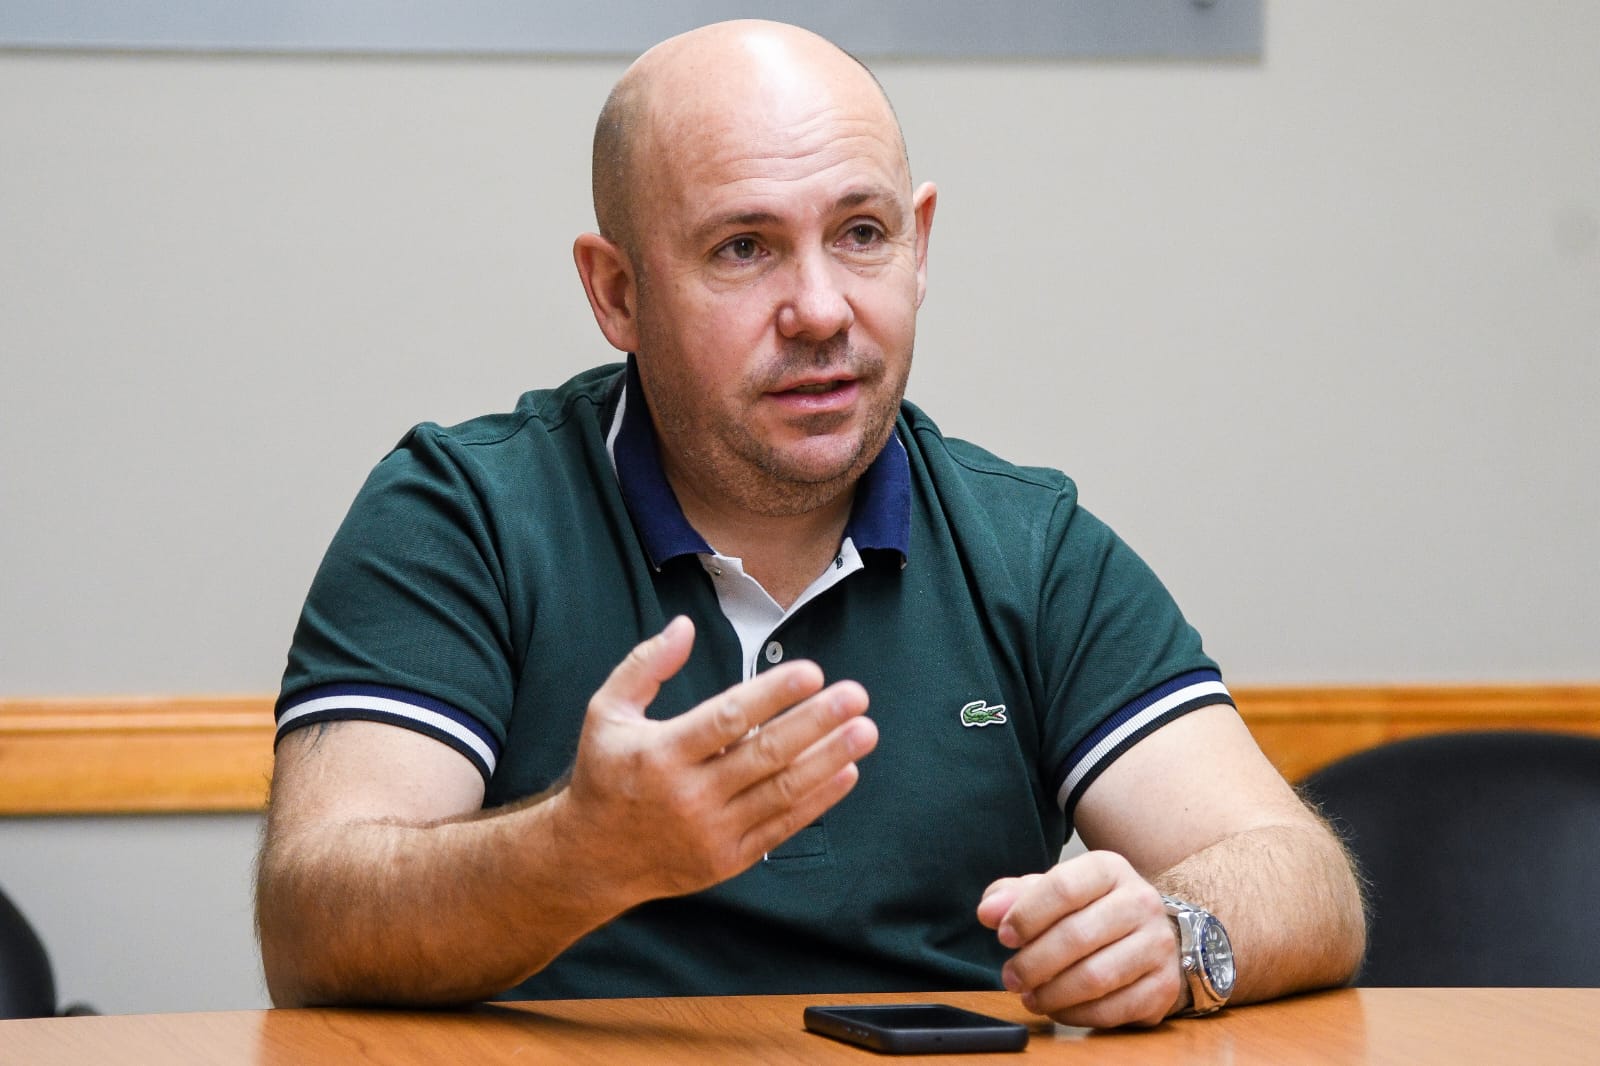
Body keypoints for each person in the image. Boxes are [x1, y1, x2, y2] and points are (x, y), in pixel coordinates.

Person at [255, 19, 1365, 1028]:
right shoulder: (464, 514)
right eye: (743, 247)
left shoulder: (1029, 547)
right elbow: (313, 922)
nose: (822, 309)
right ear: (617, 293)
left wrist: (1175, 935)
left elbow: (1300, 874)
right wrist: (580, 853)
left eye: (862, 233)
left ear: (920, 246)